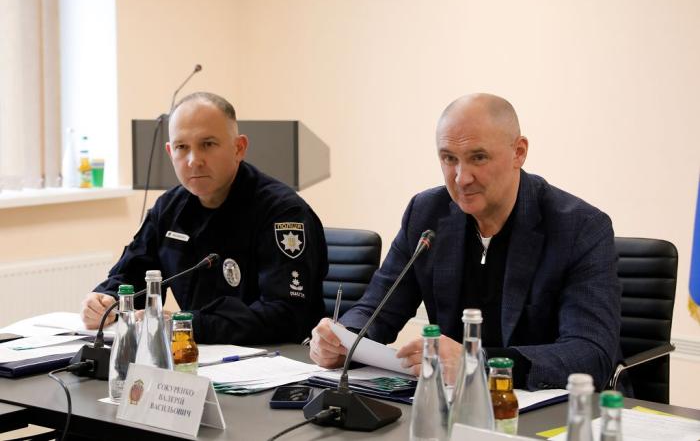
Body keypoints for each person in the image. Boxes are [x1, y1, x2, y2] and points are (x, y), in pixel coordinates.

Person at [310, 93, 621, 391]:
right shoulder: (426, 214)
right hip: (448, 401)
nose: (461, 177)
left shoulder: (579, 227)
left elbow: (590, 352)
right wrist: (342, 339)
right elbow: (376, 309)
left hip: (543, 407)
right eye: (449, 158)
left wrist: (478, 364)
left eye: (478, 157)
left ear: (519, 152)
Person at [80, 92, 328, 344]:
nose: (193, 161)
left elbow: (285, 317)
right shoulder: (168, 208)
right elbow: (132, 273)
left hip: (276, 358)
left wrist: (186, 324)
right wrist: (107, 300)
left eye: (207, 144)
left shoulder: (282, 213)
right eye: (181, 147)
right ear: (170, 152)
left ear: (239, 148)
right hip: (196, 352)